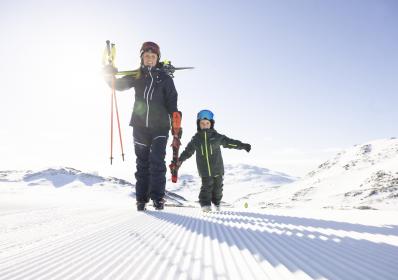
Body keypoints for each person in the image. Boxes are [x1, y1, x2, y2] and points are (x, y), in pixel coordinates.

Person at [103, 41, 181, 211]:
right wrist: (108, 74)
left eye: (153, 56)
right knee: (142, 163)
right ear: (142, 58)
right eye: (146, 56)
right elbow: (116, 85)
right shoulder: (137, 76)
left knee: (157, 162)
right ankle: (141, 199)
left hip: (160, 127)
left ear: (157, 59)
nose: (150, 59)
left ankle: (158, 198)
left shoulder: (166, 79)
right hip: (139, 126)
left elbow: (172, 103)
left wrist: (176, 123)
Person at [176, 109, 251, 212]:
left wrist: (243, 146)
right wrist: (180, 160)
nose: (205, 125)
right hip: (204, 170)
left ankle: (217, 203)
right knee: (206, 187)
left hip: (217, 168)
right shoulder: (196, 139)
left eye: (207, 123)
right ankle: (205, 205)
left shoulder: (217, 137)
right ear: (199, 125)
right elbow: (188, 152)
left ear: (211, 124)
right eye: (202, 123)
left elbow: (230, 143)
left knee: (218, 189)